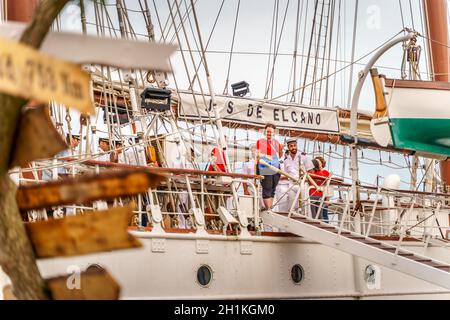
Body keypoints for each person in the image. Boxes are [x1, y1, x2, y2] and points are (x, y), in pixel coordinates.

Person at [256, 122, 283, 210]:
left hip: (275, 166)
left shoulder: (276, 143)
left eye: (270, 132)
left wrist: (281, 149)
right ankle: (268, 209)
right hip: (265, 166)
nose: (269, 133)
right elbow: (258, 154)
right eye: (267, 131)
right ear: (265, 132)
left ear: (274, 132)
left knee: (273, 188)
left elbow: (280, 155)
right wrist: (267, 156)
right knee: (267, 188)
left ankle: (269, 208)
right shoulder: (260, 142)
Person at [309, 157, 330, 222]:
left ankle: (322, 226)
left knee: (321, 214)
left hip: (320, 195)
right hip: (315, 194)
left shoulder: (325, 172)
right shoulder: (312, 172)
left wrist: (327, 197)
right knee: (316, 214)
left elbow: (327, 184)